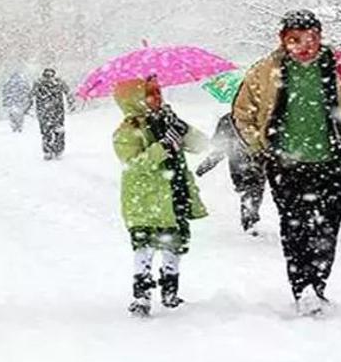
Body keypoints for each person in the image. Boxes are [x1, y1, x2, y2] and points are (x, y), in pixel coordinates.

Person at [232, 10, 341, 315]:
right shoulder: (265, 71)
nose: (304, 46)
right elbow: (242, 113)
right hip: (285, 165)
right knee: (294, 227)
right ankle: (302, 287)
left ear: (321, 36)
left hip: (333, 163)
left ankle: (319, 283)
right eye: (295, 39)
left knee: (327, 229)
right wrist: (263, 146)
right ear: (282, 40)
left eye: (311, 38)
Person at [113, 76, 208, 317]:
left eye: (158, 92)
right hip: (146, 200)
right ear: (134, 100)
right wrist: (162, 146)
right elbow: (134, 164)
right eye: (150, 93)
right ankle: (142, 295)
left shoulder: (167, 122)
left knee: (173, 243)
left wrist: (180, 127)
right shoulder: (127, 131)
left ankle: (170, 291)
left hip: (174, 192)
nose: (157, 97)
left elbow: (200, 145)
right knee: (144, 246)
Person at [196, 112, 267, 234]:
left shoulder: (227, 119)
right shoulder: (260, 117)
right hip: (255, 163)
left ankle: (249, 217)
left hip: (238, 165)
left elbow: (220, 149)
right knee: (253, 190)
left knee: (248, 190)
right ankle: (250, 218)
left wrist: (206, 165)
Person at [27, 68, 74, 160]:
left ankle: (48, 150)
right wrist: (71, 103)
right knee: (58, 130)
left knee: (46, 132)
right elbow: (68, 93)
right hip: (57, 110)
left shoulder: (38, 83)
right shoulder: (59, 82)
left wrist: (28, 107)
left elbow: (30, 95)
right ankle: (58, 150)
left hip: (43, 111)